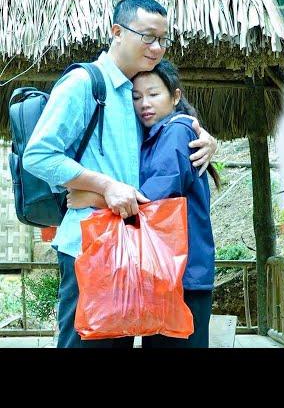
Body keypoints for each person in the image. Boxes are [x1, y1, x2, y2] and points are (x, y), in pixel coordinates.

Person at [22, 0, 217, 348]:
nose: (157, 48)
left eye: (162, 39)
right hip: (90, 250)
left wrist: (203, 135)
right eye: (147, 36)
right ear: (117, 31)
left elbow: (156, 156)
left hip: (130, 253)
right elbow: (38, 155)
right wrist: (104, 186)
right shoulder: (85, 83)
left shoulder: (133, 94)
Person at [67, 60, 219, 348]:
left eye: (153, 94)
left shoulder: (175, 132)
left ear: (175, 96)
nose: (144, 104)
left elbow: (151, 201)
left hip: (183, 276)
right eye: (136, 97)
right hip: (169, 273)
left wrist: (93, 196)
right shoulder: (155, 135)